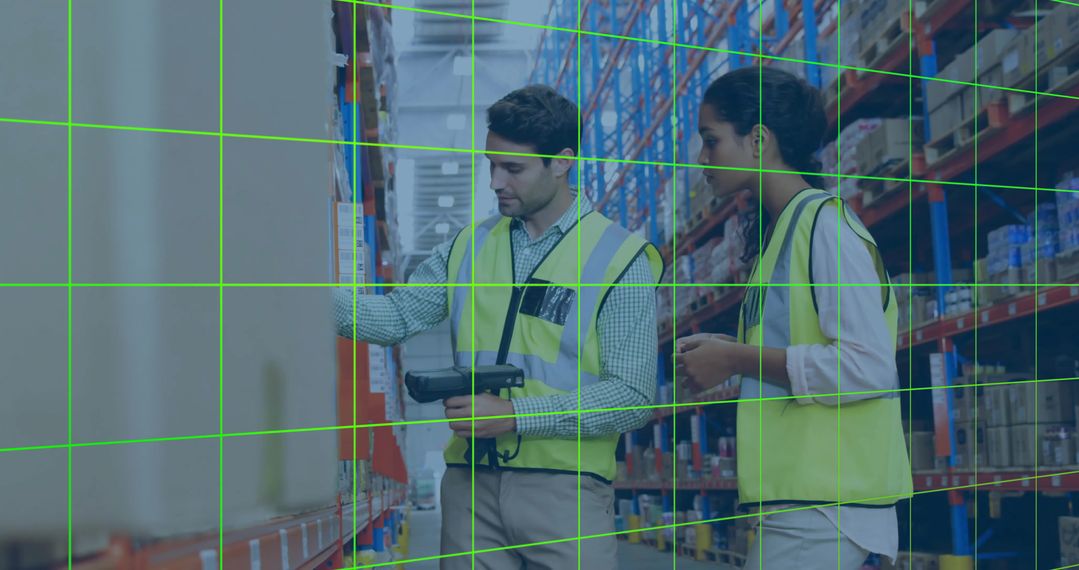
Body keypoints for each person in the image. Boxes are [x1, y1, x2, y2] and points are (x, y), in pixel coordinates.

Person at [334, 85, 663, 569]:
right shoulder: (470, 245)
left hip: (565, 495)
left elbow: (633, 396)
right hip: (471, 490)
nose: (495, 182)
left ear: (562, 162)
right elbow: (398, 317)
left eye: (513, 168)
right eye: (491, 164)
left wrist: (515, 416)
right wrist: (300, 296)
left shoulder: (619, 257)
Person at [674, 67, 912, 568]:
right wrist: (728, 354)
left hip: (829, 507)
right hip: (803, 504)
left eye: (711, 141)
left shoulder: (825, 225)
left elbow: (869, 366)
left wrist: (736, 357)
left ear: (758, 140)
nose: (702, 159)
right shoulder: (779, 240)